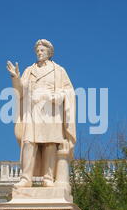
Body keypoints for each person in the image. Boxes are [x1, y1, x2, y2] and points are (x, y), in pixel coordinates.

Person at [6, 39, 76, 188]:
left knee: (50, 143)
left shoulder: (59, 70)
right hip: (33, 110)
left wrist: (57, 96)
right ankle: (26, 178)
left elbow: (69, 91)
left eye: (42, 50)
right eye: (37, 50)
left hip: (51, 110)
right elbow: (19, 92)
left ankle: (48, 178)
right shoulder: (29, 70)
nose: (39, 53)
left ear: (49, 53)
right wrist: (15, 78)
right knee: (29, 142)